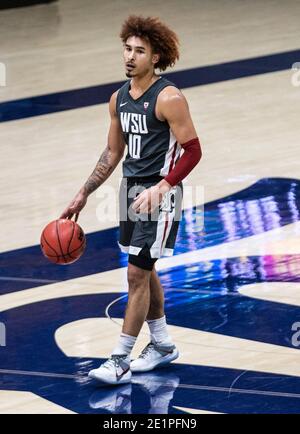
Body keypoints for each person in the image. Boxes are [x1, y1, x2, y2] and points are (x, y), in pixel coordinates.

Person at [61, 15, 202, 385]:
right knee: (145, 268)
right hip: (130, 191)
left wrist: (163, 186)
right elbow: (112, 153)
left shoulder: (169, 98)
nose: (130, 56)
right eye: (127, 48)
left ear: (156, 58)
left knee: (136, 272)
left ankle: (119, 358)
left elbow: (193, 151)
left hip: (160, 194)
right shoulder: (118, 99)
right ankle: (161, 344)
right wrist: (83, 192)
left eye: (140, 51)